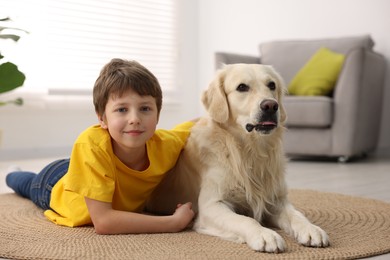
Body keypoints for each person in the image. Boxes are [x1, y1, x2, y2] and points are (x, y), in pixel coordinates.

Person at [6, 58, 195, 234]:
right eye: (122, 110)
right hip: (54, 182)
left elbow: (196, 125)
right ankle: (11, 173)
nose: (135, 119)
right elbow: (104, 222)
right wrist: (173, 223)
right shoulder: (90, 143)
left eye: (145, 108)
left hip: (91, 167)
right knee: (26, 183)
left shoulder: (166, 143)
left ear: (158, 115)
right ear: (102, 118)